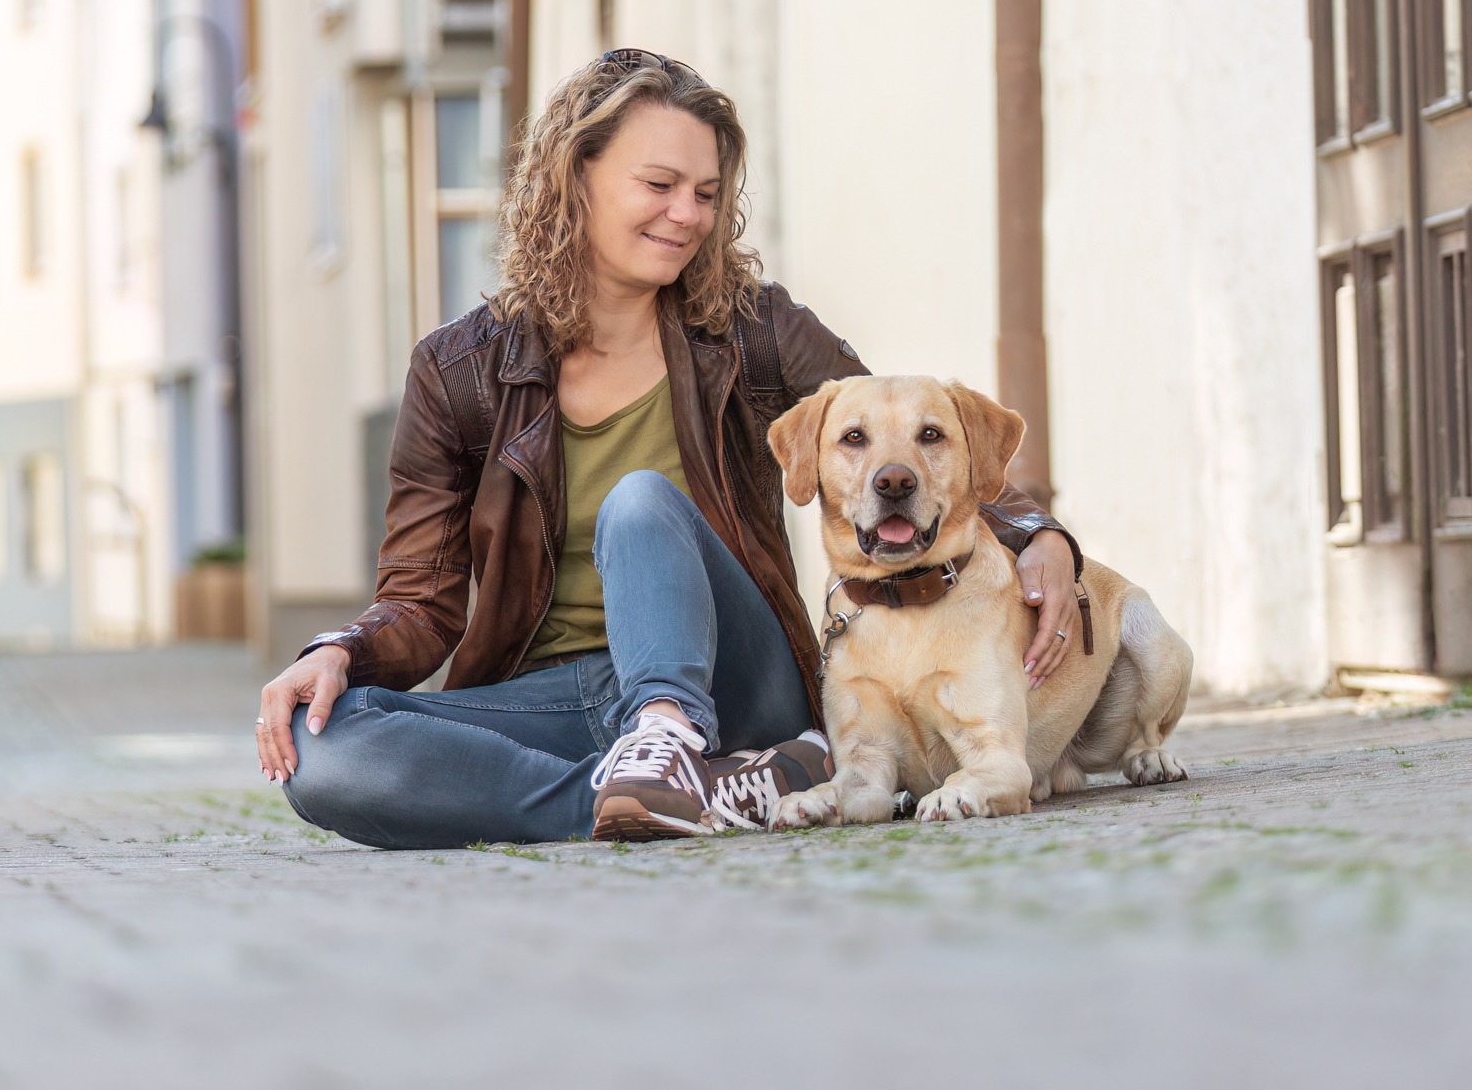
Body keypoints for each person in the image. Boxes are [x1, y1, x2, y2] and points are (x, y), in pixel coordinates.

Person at [254, 50, 1083, 849]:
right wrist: (339, 652)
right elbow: (423, 601)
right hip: (562, 696)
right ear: (574, 176)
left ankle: (668, 738)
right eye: (659, 185)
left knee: (640, 505)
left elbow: (903, 444)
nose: (687, 214)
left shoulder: (753, 333)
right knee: (322, 746)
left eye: (706, 193)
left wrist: (1035, 531)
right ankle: (682, 793)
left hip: (735, 678)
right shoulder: (460, 371)